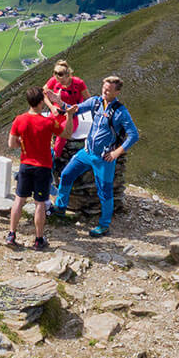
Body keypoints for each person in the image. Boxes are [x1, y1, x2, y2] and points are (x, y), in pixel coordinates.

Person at [49, 74, 138, 237]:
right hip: (87, 152)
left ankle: (104, 225)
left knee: (105, 191)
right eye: (104, 88)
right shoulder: (96, 102)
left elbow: (134, 135)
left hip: (104, 159)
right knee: (66, 175)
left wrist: (116, 152)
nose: (104, 91)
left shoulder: (120, 112)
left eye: (109, 90)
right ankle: (60, 209)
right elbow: (75, 109)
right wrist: (59, 101)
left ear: (116, 92)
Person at [5, 88, 63, 250]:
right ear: (40, 103)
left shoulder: (19, 119)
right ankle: (38, 239)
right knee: (39, 203)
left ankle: (11, 234)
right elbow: (66, 133)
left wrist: (23, 145)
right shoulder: (48, 122)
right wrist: (69, 116)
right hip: (43, 167)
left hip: (25, 165)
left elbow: (11, 144)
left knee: (19, 200)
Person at [43, 59, 88, 176]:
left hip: (71, 117)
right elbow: (43, 93)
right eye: (55, 73)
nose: (57, 76)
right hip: (56, 113)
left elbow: (89, 101)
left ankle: (51, 165)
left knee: (61, 135)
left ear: (68, 74)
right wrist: (52, 107)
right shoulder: (54, 80)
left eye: (60, 74)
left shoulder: (78, 83)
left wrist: (75, 109)